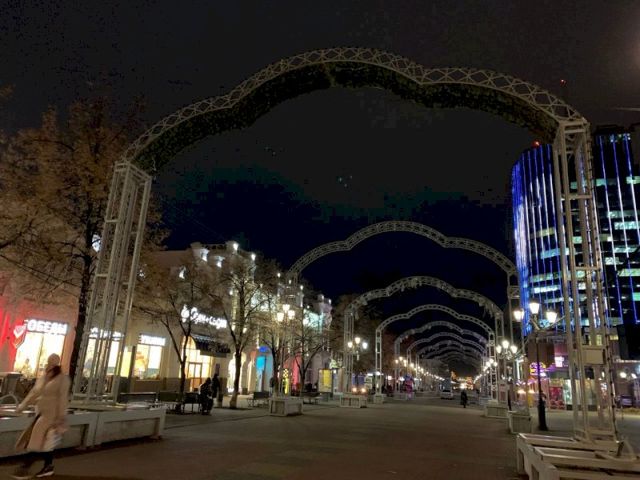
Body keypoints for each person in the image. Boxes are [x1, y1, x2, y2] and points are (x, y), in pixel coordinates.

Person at [12, 353, 69, 479]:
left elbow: (63, 399)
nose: (50, 363)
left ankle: (26, 467)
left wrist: (60, 417)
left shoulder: (62, 379)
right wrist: (22, 406)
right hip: (42, 412)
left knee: (37, 439)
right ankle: (47, 466)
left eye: (52, 361)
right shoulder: (45, 377)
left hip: (51, 415)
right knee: (45, 442)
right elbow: (34, 393)